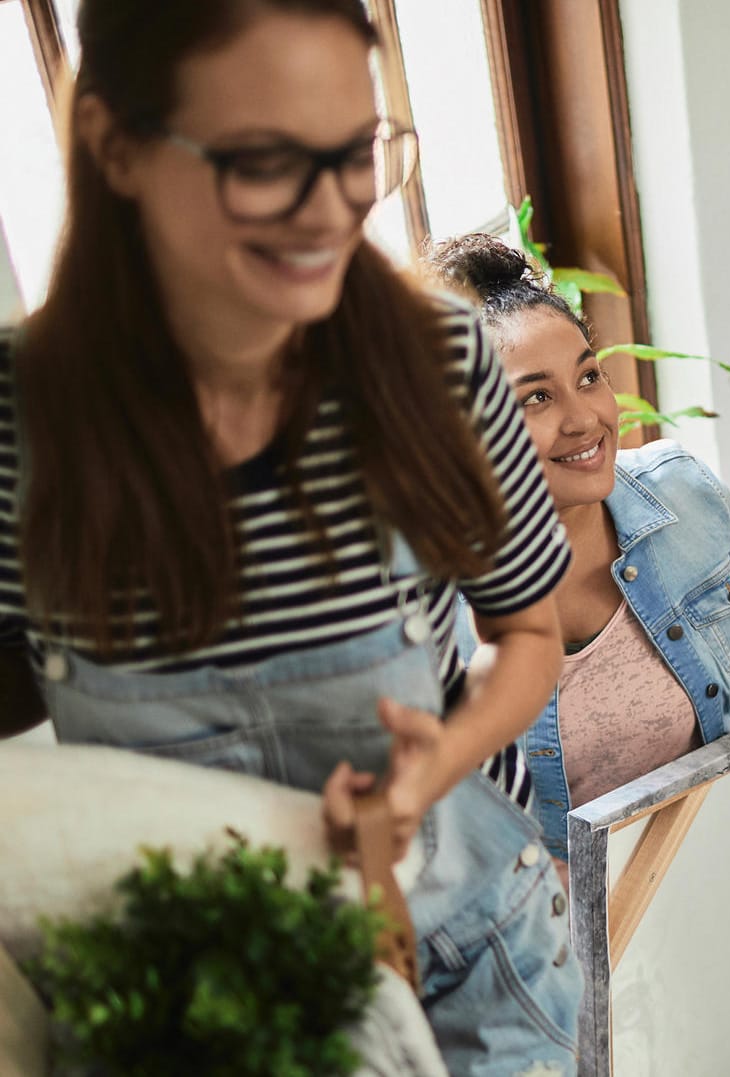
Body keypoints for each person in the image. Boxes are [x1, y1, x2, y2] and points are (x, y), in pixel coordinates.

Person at [0, 3, 580, 1072]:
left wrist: (432, 768)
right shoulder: (21, 415)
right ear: (116, 147)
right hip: (192, 1001)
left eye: (357, 151)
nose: (330, 213)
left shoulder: (437, 358)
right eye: (266, 161)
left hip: (466, 957)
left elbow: (527, 636)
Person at [422, 234, 730, 878]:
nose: (585, 418)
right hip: (551, 933)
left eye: (588, 377)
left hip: (706, 869)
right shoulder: (423, 606)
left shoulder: (678, 490)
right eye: (535, 397)